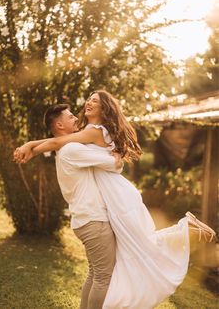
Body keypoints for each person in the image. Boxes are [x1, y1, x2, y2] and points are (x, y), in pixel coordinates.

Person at [14, 90, 216, 309]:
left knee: (128, 252)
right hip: (102, 210)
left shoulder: (86, 137)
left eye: (93, 101)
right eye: (71, 115)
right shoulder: (74, 145)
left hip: (113, 202)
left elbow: (64, 144)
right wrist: (31, 147)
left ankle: (186, 230)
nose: (79, 112)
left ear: (104, 108)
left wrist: (30, 147)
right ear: (60, 126)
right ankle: (186, 230)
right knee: (119, 261)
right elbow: (106, 160)